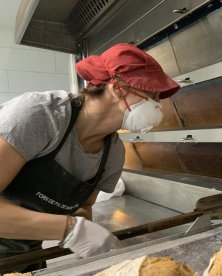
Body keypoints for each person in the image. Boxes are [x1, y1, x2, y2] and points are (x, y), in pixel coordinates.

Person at [0, 43, 180, 273]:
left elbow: (84, 205)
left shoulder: (113, 155)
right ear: (118, 88)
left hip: (28, 256)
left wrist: (84, 232)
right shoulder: (40, 116)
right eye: (152, 94)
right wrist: (70, 229)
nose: (158, 105)